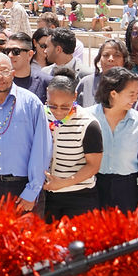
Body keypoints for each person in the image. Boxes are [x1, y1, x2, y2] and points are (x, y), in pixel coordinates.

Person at [0, 53, 52, 213]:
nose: (0, 77)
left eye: (5, 71)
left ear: (13, 73)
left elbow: (41, 149)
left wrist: (32, 191)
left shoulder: (31, 103)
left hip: (22, 189)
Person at [90, 67, 138, 213]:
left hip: (128, 190)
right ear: (113, 94)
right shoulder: (88, 117)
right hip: (94, 186)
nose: (135, 98)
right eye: (131, 94)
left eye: (137, 94)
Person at [42, 68, 103, 220]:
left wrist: (62, 184)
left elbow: (93, 165)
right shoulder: (40, 116)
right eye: (53, 105)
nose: (58, 111)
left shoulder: (89, 124)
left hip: (79, 197)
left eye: (65, 106)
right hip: (47, 197)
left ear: (75, 96)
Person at [75, 40, 138, 121]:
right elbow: (72, 112)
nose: (110, 59)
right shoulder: (86, 83)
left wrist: (137, 126)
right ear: (99, 59)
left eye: (117, 55)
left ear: (125, 60)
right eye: (106, 55)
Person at [6, 32, 51, 103]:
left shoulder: (46, 82)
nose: (10, 55)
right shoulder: (0, 82)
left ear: (30, 54)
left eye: (16, 51)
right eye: (7, 51)